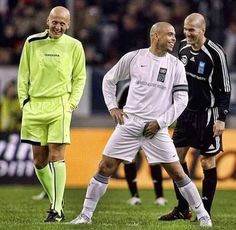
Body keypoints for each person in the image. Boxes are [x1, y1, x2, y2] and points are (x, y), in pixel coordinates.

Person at [69, 22, 212, 227]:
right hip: (129, 123)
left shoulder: (176, 65)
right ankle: (85, 215)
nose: (174, 38)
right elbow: (109, 80)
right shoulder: (134, 57)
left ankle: (203, 215)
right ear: (155, 36)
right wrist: (113, 107)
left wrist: (160, 122)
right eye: (170, 34)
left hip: (156, 128)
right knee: (104, 167)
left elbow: (181, 100)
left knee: (178, 172)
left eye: (174, 35)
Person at [159, 13, 231, 221]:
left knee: (207, 162)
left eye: (192, 30)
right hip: (185, 113)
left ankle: (205, 212)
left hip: (208, 114)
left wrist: (222, 118)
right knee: (175, 159)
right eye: (185, 29)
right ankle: (183, 208)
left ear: (203, 30)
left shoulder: (216, 53)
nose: (187, 33)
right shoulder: (181, 47)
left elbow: (226, 89)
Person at [17, 6, 86, 222]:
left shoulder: (75, 46)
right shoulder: (32, 42)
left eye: (62, 23)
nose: (58, 26)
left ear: (68, 24)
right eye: (54, 22)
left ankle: (56, 209)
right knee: (39, 161)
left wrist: (71, 104)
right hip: (35, 107)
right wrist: (24, 103)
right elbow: (23, 75)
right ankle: (56, 198)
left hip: (60, 107)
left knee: (56, 155)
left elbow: (80, 77)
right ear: (47, 21)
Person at [117, 81, 167, 206]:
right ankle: (135, 196)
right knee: (129, 159)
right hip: (132, 129)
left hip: (150, 128)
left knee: (154, 160)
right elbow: (118, 107)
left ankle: (159, 196)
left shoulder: (155, 87)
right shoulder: (128, 87)